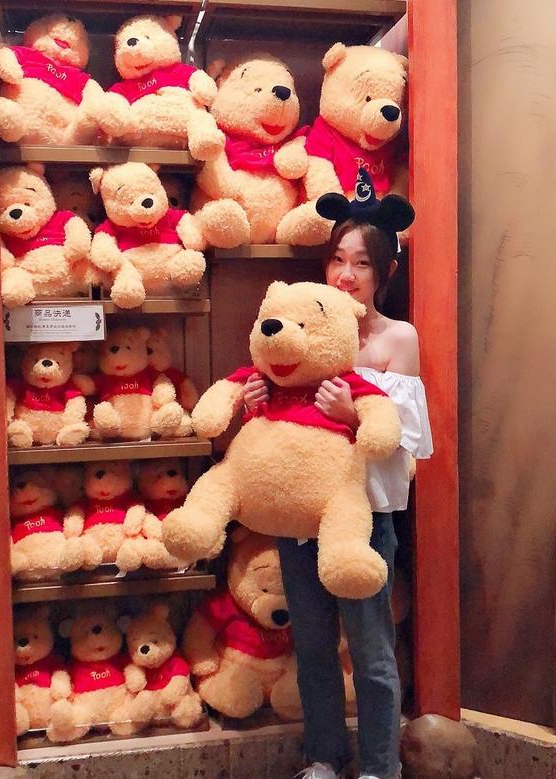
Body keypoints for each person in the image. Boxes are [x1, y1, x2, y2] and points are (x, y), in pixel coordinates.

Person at [242, 170, 433, 779]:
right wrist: (255, 401)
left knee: (372, 650)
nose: (346, 275)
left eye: (362, 264)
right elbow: (282, 423)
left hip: (366, 516)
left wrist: (355, 414)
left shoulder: (398, 339)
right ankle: (324, 756)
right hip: (302, 515)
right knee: (313, 645)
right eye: (337, 260)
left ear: (386, 272)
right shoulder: (303, 329)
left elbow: (412, 440)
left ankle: (380, 766)